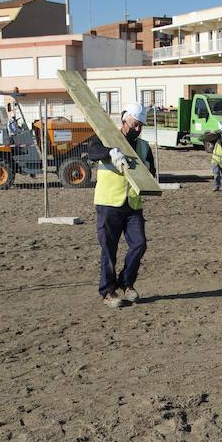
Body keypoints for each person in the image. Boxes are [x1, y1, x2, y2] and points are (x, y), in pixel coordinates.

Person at [84, 101, 155, 309]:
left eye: (141, 125)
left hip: (133, 204)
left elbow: (152, 173)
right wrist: (110, 152)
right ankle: (108, 292)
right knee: (109, 249)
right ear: (124, 121)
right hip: (109, 203)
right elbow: (93, 152)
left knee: (139, 243)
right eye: (135, 124)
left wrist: (147, 168)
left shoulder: (143, 146)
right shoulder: (105, 138)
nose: (138, 129)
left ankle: (126, 283)